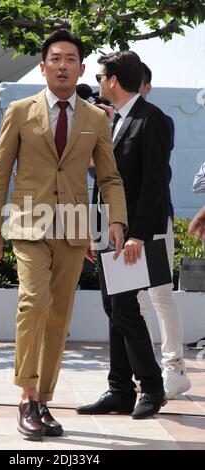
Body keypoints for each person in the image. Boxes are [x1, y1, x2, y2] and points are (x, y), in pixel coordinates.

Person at [0, 29, 127, 440]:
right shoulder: (19, 111)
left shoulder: (95, 117)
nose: (63, 65)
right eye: (55, 58)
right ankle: (26, 398)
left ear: (81, 68)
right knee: (34, 302)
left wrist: (116, 220)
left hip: (73, 228)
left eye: (71, 60)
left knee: (60, 316)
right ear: (44, 66)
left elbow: (110, 177)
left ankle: (43, 398)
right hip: (29, 222)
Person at [76, 51, 170, 419]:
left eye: (100, 77)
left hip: (134, 234)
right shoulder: (110, 121)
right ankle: (119, 389)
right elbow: (103, 181)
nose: (98, 83)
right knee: (113, 308)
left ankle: (152, 387)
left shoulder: (153, 120)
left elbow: (154, 183)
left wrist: (139, 236)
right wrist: (93, 231)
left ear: (114, 80)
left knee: (126, 309)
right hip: (107, 230)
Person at [136, 63, 191, 399]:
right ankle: (145, 369)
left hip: (155, 223)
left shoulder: (159, 120)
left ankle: (175, 367)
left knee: (159, 294)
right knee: (134, 300)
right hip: (120, 226)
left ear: (146, 87)